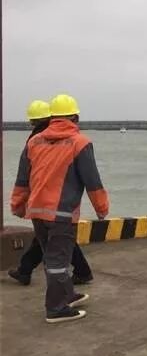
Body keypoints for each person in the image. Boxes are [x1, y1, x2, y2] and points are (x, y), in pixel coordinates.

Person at [11, 94, 109, 324]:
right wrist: (101, 208)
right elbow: (92, 180)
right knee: (58, 263)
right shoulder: (80, 143)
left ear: (52, 117)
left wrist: (17, 205)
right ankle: (56, 309)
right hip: (61, 214)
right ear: (75, 117)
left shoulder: (34, 142)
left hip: (37, 212)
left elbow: (22, 178)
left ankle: (67, 295)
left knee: (54, 259)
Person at [8, 101, 94, 287]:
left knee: (51, 240)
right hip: (57, 201)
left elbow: (26, 174)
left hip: (43, 198)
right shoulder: (62, 138)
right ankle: (80, 272)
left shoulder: (37, 139)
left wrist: (19, 202)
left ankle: (28, 271)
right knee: (57, 239)